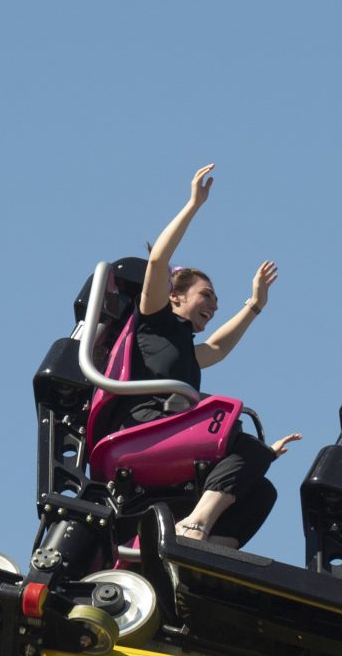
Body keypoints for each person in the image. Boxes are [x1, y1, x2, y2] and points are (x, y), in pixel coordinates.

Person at [106, 165, 299, 547]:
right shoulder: (155, 322)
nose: (213, 304)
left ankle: (202, 556)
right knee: (247, 446)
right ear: (175, 295)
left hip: (175, 427)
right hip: (146, 425)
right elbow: (158, 262)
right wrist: (193, 204)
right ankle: (194, 525)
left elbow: (218, 348)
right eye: (206, 295)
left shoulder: (185, 348)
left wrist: (255, 305)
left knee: (262, 490)